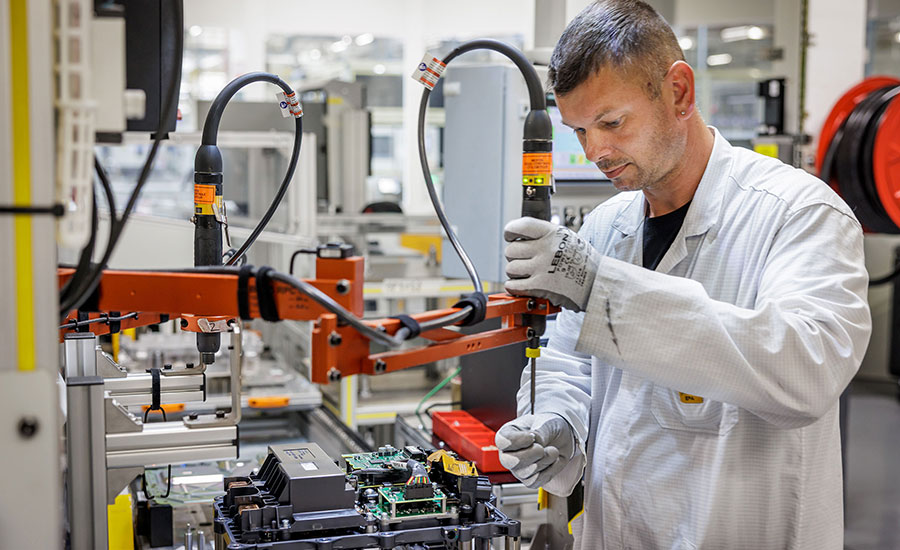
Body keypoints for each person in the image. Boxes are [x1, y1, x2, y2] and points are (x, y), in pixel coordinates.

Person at [494, 1, 872, 548]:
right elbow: (568, 363)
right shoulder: (606, 226)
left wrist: (600, 289)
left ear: (678, 93)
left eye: (611, 122)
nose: (596, 150)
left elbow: (804, 370)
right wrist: (557, 423)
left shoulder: (799, 214)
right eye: (579, 131)